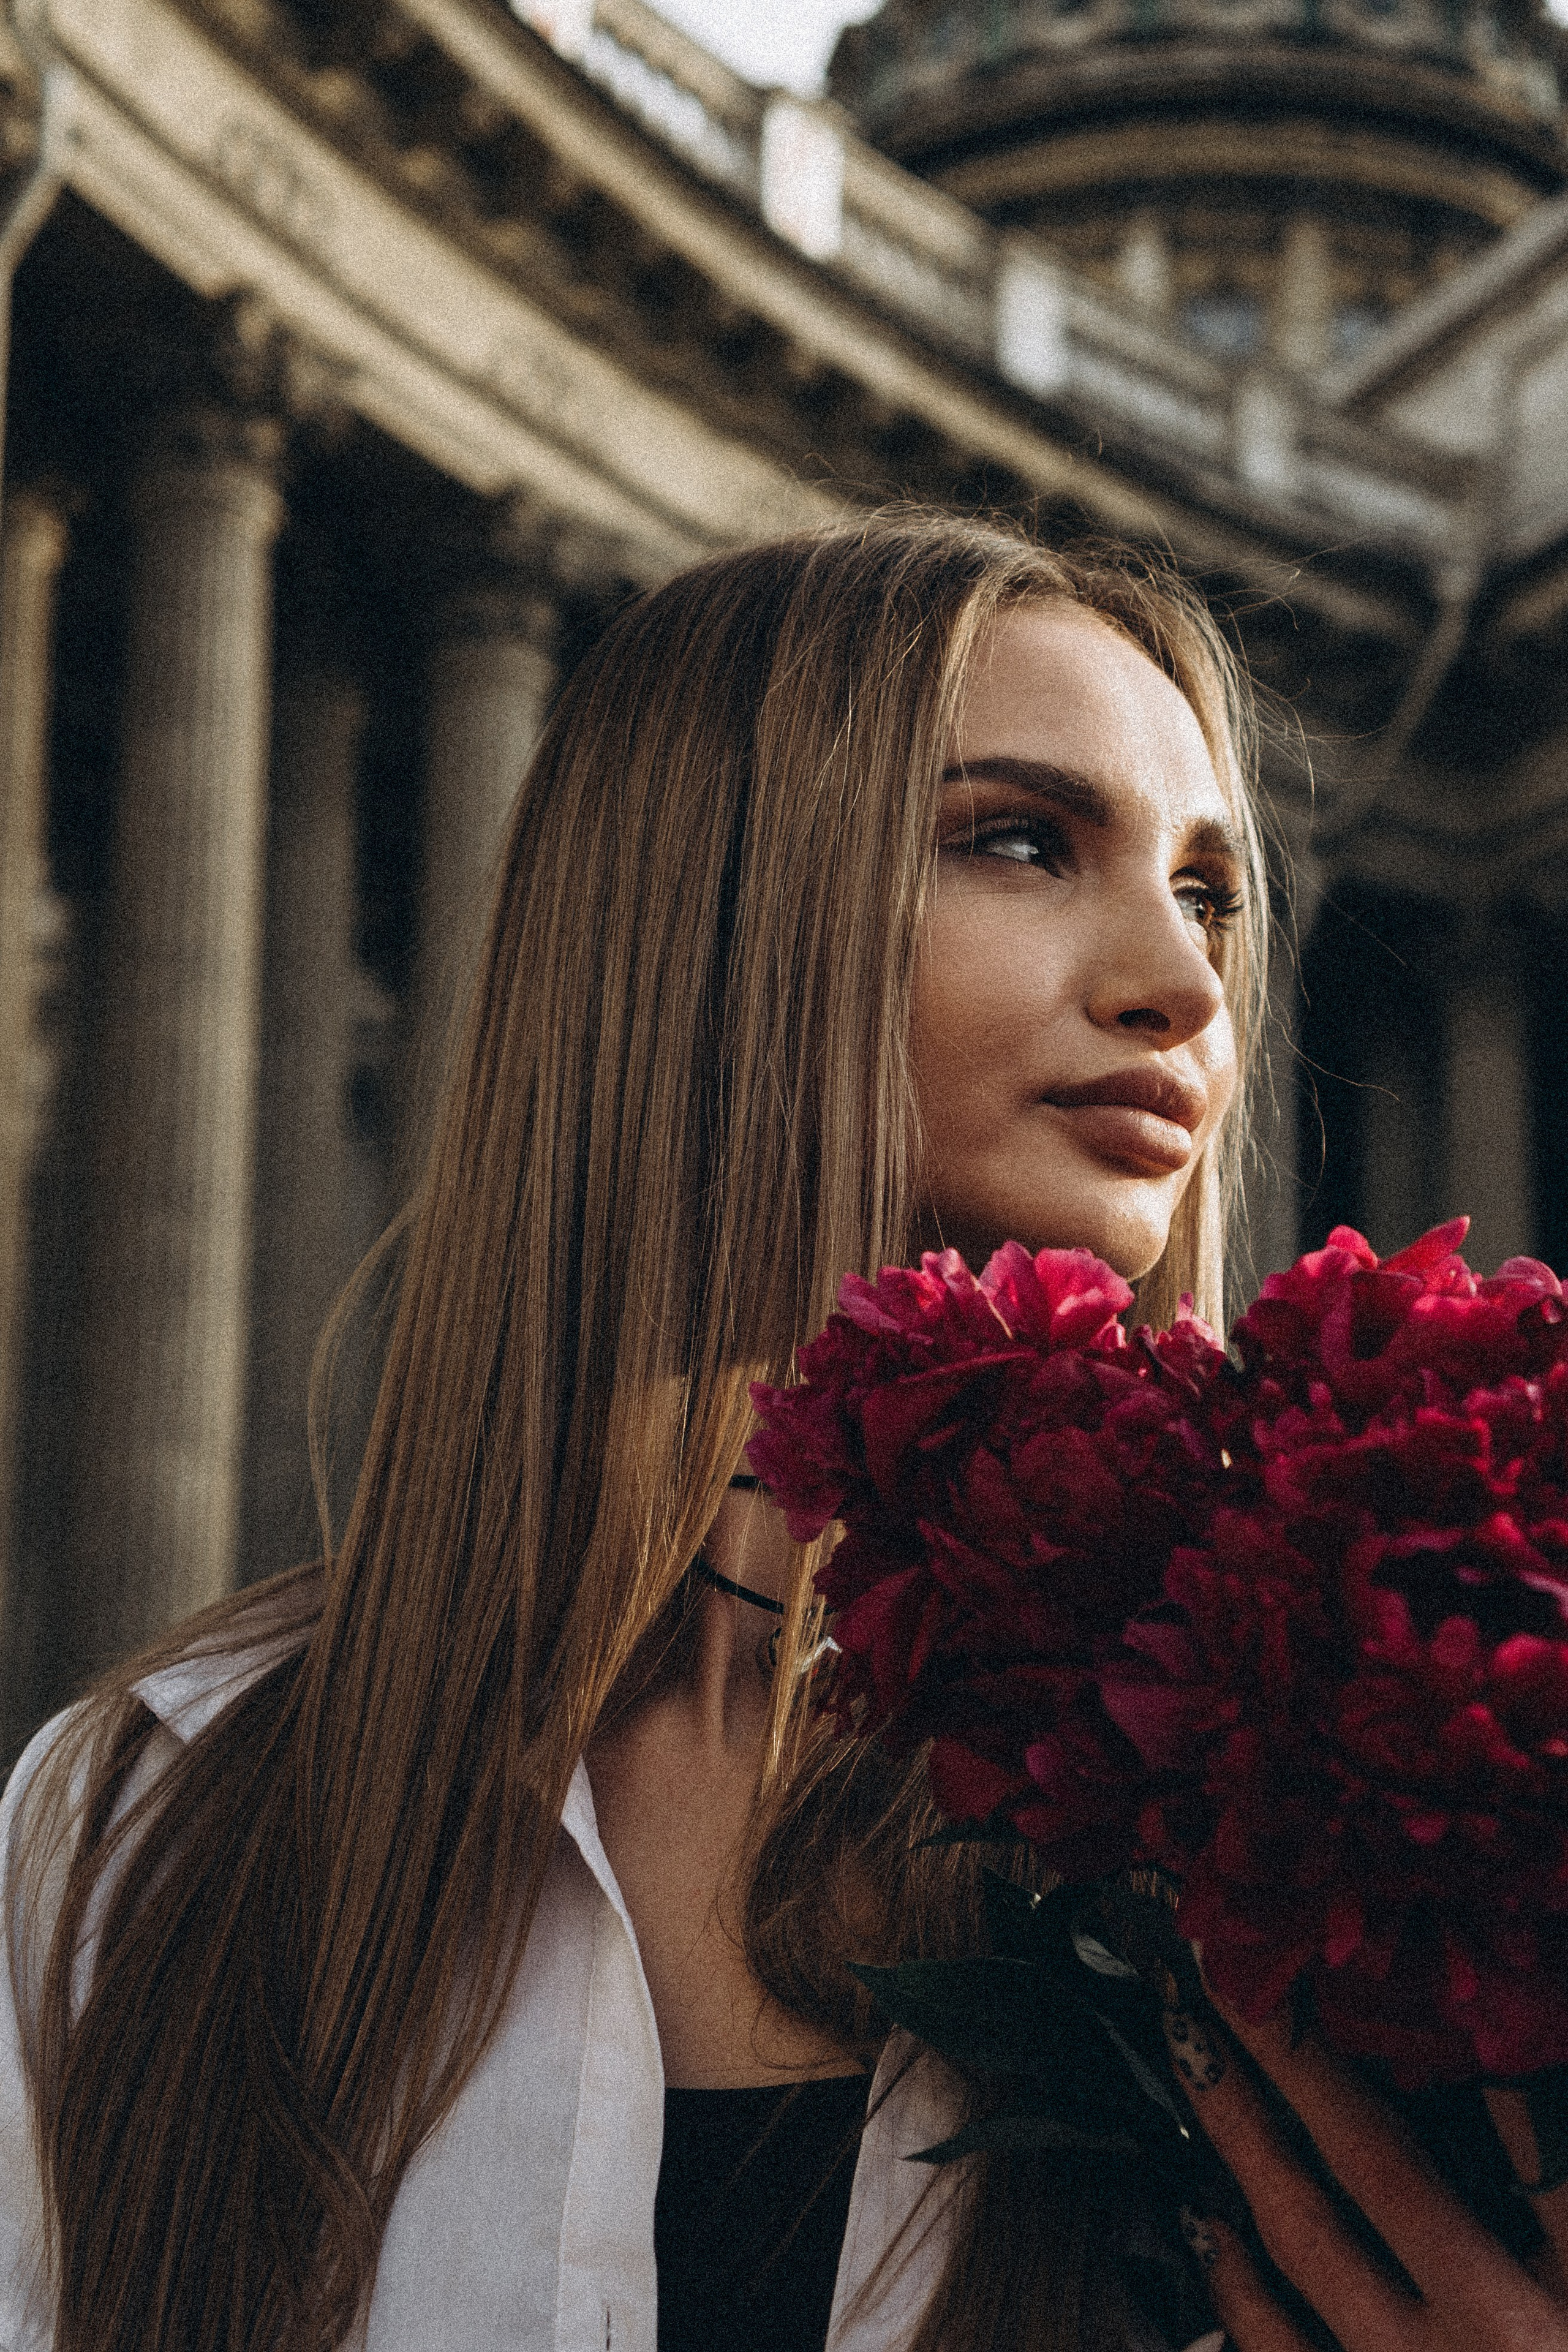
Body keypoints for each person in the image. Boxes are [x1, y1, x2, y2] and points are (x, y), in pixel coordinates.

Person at [1, 513, 1564, 2352]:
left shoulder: (1354, 1822)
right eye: (1021, 841)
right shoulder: (148, 1819)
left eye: (1213, 892)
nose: (1185, 982)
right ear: (703, 920)